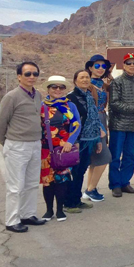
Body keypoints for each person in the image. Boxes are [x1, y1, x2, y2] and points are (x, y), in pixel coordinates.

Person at [0, 61, 47, 233]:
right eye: (27, 74)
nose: (32, 77)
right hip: (17, 145)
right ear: (19, 76)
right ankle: (12, 220)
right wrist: (6, 142)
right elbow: (1, 123)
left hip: (35, 143)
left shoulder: (37, 95)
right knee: (16, 186)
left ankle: (27, 214)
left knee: (31, 183)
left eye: (35, 74)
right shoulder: (11, 97)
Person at [40, 76, 81, 222]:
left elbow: (76, 125)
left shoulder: (70, 106)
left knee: (62, 180)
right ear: (48, 89)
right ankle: (49, 210)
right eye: (54, 87)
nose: (57, 90)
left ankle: (60, 210)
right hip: (45, 150)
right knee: (47, 181)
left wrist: (70, 142)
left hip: (64, 149)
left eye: (61, 87)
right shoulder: (42, 106)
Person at [64, 70, 103, 212]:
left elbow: (94, 119)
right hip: (78, 140)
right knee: (73, 171)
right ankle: (69, 203)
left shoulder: (89, 96)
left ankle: (77, 200)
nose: (85, 80)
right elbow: (69, 121)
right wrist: (73, 140)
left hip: (90, 140)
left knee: (81, 171)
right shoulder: (71, 98)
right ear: (75, 81)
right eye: (82, 77)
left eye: (87, 77)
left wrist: (98, 140)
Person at [108, 52, 134, 197]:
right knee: (115, 156)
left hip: (133, 125)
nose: (132, 66)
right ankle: (115, 184)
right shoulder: (116, 82)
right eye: (129, 63)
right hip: (118, 125)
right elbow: (114, 103)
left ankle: (125, 182)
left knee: (130, 156)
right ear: (124, 65)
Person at [82, 54, 113, 202]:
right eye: (97, 66)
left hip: (102, 118)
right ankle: (90, 190)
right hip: (93, 121)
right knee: (105, 156)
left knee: (95, 158)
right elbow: (89, 107)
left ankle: (90, 188)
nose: (100, 68)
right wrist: (99, 126)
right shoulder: (88, 85)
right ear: (90, 67)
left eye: (103, 66)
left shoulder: (103, 85)